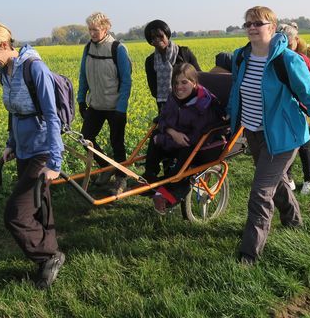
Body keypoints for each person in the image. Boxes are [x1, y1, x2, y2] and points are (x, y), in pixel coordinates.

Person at [228, 6, 310, 264]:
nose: (252, 27)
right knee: (275, 182)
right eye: (248, 24)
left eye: (259, 23)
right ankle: (294, 221)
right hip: (254, 133)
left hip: (285, 137)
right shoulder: (241, 57)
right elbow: (237, 91)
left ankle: (249, 253)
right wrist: (232, 121)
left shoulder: (287, 60)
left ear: (272, 27)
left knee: (260, 192)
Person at [0, 20, 65, 289]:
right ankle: (50, 252)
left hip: (43, 148)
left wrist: (54, 162)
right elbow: (13, 110)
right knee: (39, 203)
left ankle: (48, 256)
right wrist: (11, 143)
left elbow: (52, 115)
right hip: (24, 146)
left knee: (16, 214)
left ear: (3, 45)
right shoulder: (5, 70)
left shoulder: (34, 68)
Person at [142, 63, 224, 214]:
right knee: (155, 136)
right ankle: (150, 176)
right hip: (177, 139)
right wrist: (171, 133)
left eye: (184, 82)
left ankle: (171, 191)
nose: (179, 87)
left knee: (184, 151)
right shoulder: (173, 98)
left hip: (198, 143)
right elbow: (164, 119)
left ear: (194, 83)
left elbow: (193, 138)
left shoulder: (203, 104)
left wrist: (166, 138)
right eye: (176, 83)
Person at [78, 12, 133, 195]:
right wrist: (81, 99)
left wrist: (121, 108)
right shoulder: (88, 48)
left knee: (117, 143)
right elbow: (83, 75)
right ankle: (106, 166)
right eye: (90, 29)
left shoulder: (117, 48)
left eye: (96, 29)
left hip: (115, 106)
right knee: (86, 138)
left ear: (105, 28)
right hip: (96, 105)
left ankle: (121, 178)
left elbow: (126, 80)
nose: (92, 33)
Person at [277, 23, 310, 195]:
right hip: (293, 111)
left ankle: (309, 179)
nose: (286, 48)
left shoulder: (308, 54)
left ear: (296, 40)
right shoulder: (278, 56)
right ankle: (289, 178)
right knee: (289, 146)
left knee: (305, 147)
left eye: (289, 44)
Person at [143, 19, 201, 112]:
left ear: (167, 35)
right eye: (153, 37)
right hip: (165, 106)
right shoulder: (150, 61)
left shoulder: (184, 53)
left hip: (190, 103)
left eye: (160, 36)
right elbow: (154, 89)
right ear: (151, 41)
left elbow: (198, 76)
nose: (157, 39)